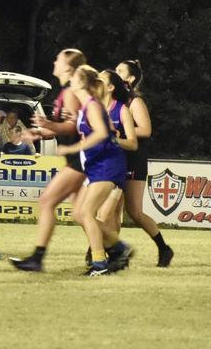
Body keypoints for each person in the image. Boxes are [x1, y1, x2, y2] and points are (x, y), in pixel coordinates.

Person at [9, 48, 89, 273]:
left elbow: (74, 126)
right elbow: (63, 127)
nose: (54, 61)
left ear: (68, 66)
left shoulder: (72, 92)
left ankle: (37, 258)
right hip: (78, 158)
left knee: (46, 202)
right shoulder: (68, 91)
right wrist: (40, 132)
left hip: (79, 158)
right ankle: (116, 248)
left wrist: (47, 126)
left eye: (59, 59)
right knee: (81, 214)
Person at [55, 66, 136, 277]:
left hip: (107, 165)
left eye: (75, 78)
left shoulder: (92, 106)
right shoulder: (89, 106)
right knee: (79, 214)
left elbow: (102, 133)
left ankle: (100, 263)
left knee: (87, 213)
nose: (71, 80)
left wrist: (72, 148)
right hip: (96, 166)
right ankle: (119, 248)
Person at [101, 59, 173, 267]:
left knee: (134, 211)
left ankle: (163, 248)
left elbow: (146, 130)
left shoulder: (134, 101)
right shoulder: (114, 101)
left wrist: (120, 132)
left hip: (134, 157)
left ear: (130, 78)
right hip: (117, 158)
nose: (115, 72)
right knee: (111, 210)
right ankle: (111, 253)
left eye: (120, 71)